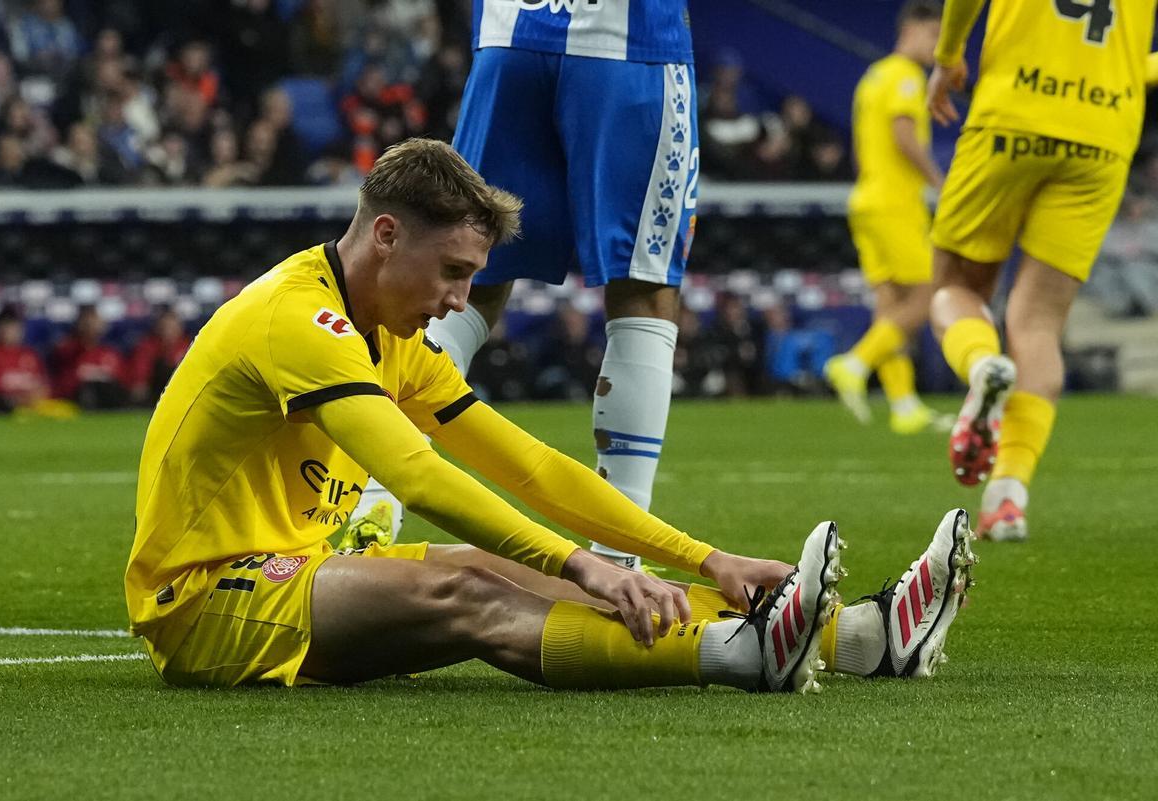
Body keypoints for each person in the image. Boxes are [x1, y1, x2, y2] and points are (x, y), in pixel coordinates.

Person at [124, 139, 976, 692]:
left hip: (302, 569)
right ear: (385, 234)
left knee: (503, 571)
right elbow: (418, 476)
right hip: (204, 599)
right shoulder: (297, 320)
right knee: (467, 586)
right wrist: (584, 564)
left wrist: (704, 557)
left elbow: (529, 466)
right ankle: (741, 656)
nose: (461, 300)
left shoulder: (389, 334)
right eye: (452, 271)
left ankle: (858, 637)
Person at [351, 1, 701, 571]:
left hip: (509, 37)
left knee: (473, 278)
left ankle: (371, 503)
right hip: (628, 42)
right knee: (643, 291)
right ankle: (619, 557)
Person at [926, 0, 1158, 541]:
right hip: (1102, 134)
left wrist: (948, 55)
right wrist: (1129, 71)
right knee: (1039, 321)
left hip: (1013, 115)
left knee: (955, 286)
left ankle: (983, 367)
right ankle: (1008, 498)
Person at [825, 1, 948, 435]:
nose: (939, 47)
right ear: (910, 29)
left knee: (892, 307)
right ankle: (855, 363)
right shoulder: (906, 76)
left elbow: (862, 151)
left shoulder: (873, 76)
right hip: (896, 202)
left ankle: (904, 405)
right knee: (928, 295)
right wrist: (939, 183)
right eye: (934, 35)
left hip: (866, 199)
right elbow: (903, 136)